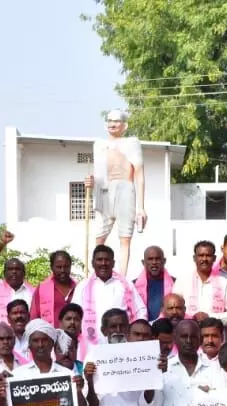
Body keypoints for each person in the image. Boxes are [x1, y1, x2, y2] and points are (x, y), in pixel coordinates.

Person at [86, 108, 146, 273]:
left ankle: (122, 275)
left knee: (125, 238)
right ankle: (96, 272)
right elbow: (98, 175)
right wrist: (91, 183)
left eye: (116, 121)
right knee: (99, 237)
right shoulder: (99, 145)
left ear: (124, 125)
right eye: (110, 120)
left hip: (125, 190)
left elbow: (139, 174)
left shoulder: (131, 143)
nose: (112, 124)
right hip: (105, 191)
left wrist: (141, 208)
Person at [71, 244, 144, 359]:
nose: (103, 263)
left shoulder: (125, 285)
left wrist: (137, 337)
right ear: (93, 263)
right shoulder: (82, 287)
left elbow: (140, 311)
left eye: (107, 260)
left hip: (122, 345)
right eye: (99, 260)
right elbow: (74, 316)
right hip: (90, 347)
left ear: (113, 263)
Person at [177, 240, 227, 322]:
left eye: (208, 255)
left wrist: (210, 317)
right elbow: (173, 310)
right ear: (194, 258)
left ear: (214, 258)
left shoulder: (224, 283)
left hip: (214, 333)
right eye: (201, 255)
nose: (204, 259)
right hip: (188, 332)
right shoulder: (182, 282)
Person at [30, 250, 78, 326]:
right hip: (49, 336)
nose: (63, 270)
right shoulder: (42, 289)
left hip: (75, 336)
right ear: (52, 267)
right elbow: (34, 318)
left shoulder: (78, 288)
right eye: (59, 267)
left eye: (66, 267)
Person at [133, 245, 173, 322]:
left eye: (157, 259)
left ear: (164, 261)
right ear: (143, 262)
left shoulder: (175, 283)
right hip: (142, 330)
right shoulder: (133, 285)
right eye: (150, 259)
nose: (154, 262)